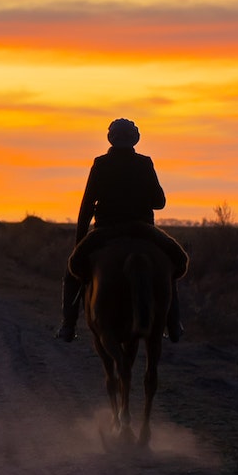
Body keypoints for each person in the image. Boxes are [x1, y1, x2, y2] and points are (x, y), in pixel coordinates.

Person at [55, 118, 185, 342]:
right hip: (142, 230)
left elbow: (86, 206)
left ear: (111, 139)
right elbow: (159, 202)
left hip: (107, 230)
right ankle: (173, 324)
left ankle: (68, 325)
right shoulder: (145, 163)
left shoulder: (101, 164)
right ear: (135, 139)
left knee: (72, 270)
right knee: (175, 262)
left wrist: (80, 242)